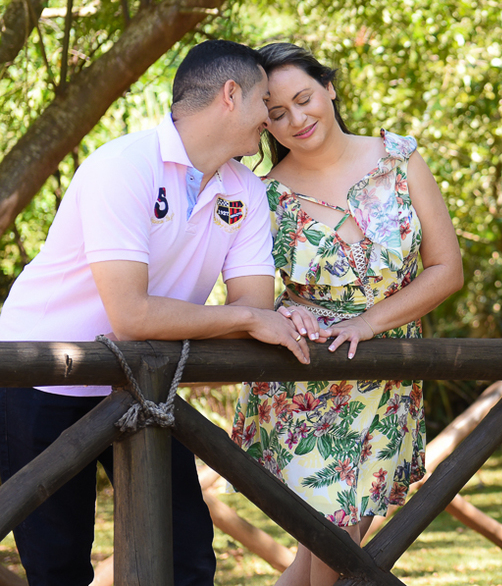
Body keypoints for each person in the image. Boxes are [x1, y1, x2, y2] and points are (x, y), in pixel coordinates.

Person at [0, 39, 318, 586]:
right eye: (265, 101)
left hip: (143, 382)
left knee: (186, 557)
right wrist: (244, 320)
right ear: (231, 94)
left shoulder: (245, 189)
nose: (270, 118)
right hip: (41, 377)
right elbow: (134, 315)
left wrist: (249, 316)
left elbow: (255, 303)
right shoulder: (123, 165)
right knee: (57, 566)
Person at [230, 43, 463, 586]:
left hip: (387, 374)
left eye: (304, 99)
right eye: (277, 113)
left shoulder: (398, 159)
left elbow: (447, 270)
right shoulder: (264, 197)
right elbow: (252, 298)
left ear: (329, 88)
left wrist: (368, 322)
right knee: (332, 546)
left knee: (323, 554)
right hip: (307, 384)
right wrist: (291, 312)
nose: (296, 120)